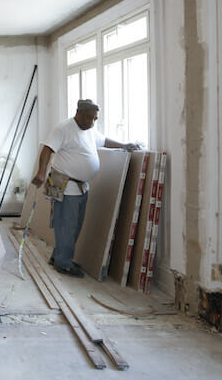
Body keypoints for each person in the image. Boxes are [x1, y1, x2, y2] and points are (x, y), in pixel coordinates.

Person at [31, 99, 141, 277]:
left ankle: (59, 257)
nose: (92, 122)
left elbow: (104, 140)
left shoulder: (90, 130)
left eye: (95, 119)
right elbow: (47, 149)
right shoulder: (63, 129)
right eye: (89, 117)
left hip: (81, 186)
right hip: (65, 185)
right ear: (79, 113)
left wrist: (124, 145)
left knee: (74, 225)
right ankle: (64, 263)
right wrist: (41, 173)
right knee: (66, 225)